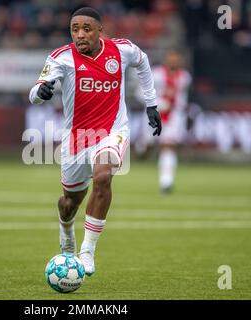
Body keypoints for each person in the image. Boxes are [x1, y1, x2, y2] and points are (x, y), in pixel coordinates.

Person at [29, 7, 161, 276]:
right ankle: (66, 232)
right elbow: (35, 92)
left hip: (113, 131)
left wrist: (151, 103)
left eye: (86, 28)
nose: (80, 34)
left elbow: (143, 62)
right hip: (76, 138)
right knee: (69, 202)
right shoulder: (61, 58)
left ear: (100, 30)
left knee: (103, 177)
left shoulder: (122, 50)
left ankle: (87, 251)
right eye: (75, 29)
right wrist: (40, 93)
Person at [134, 49, 192, 194]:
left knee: (168, 145)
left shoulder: (185, 77)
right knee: (147, 148)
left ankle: (166, 182)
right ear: (166, 59)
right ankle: (142, 150)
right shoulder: (156, 73)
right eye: (171, 58)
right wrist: (158, 103)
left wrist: (182, 108)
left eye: (176, 58)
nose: (174, 61)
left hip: (173, 117)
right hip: (153, 115)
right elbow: (139, 92)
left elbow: (181, 96)